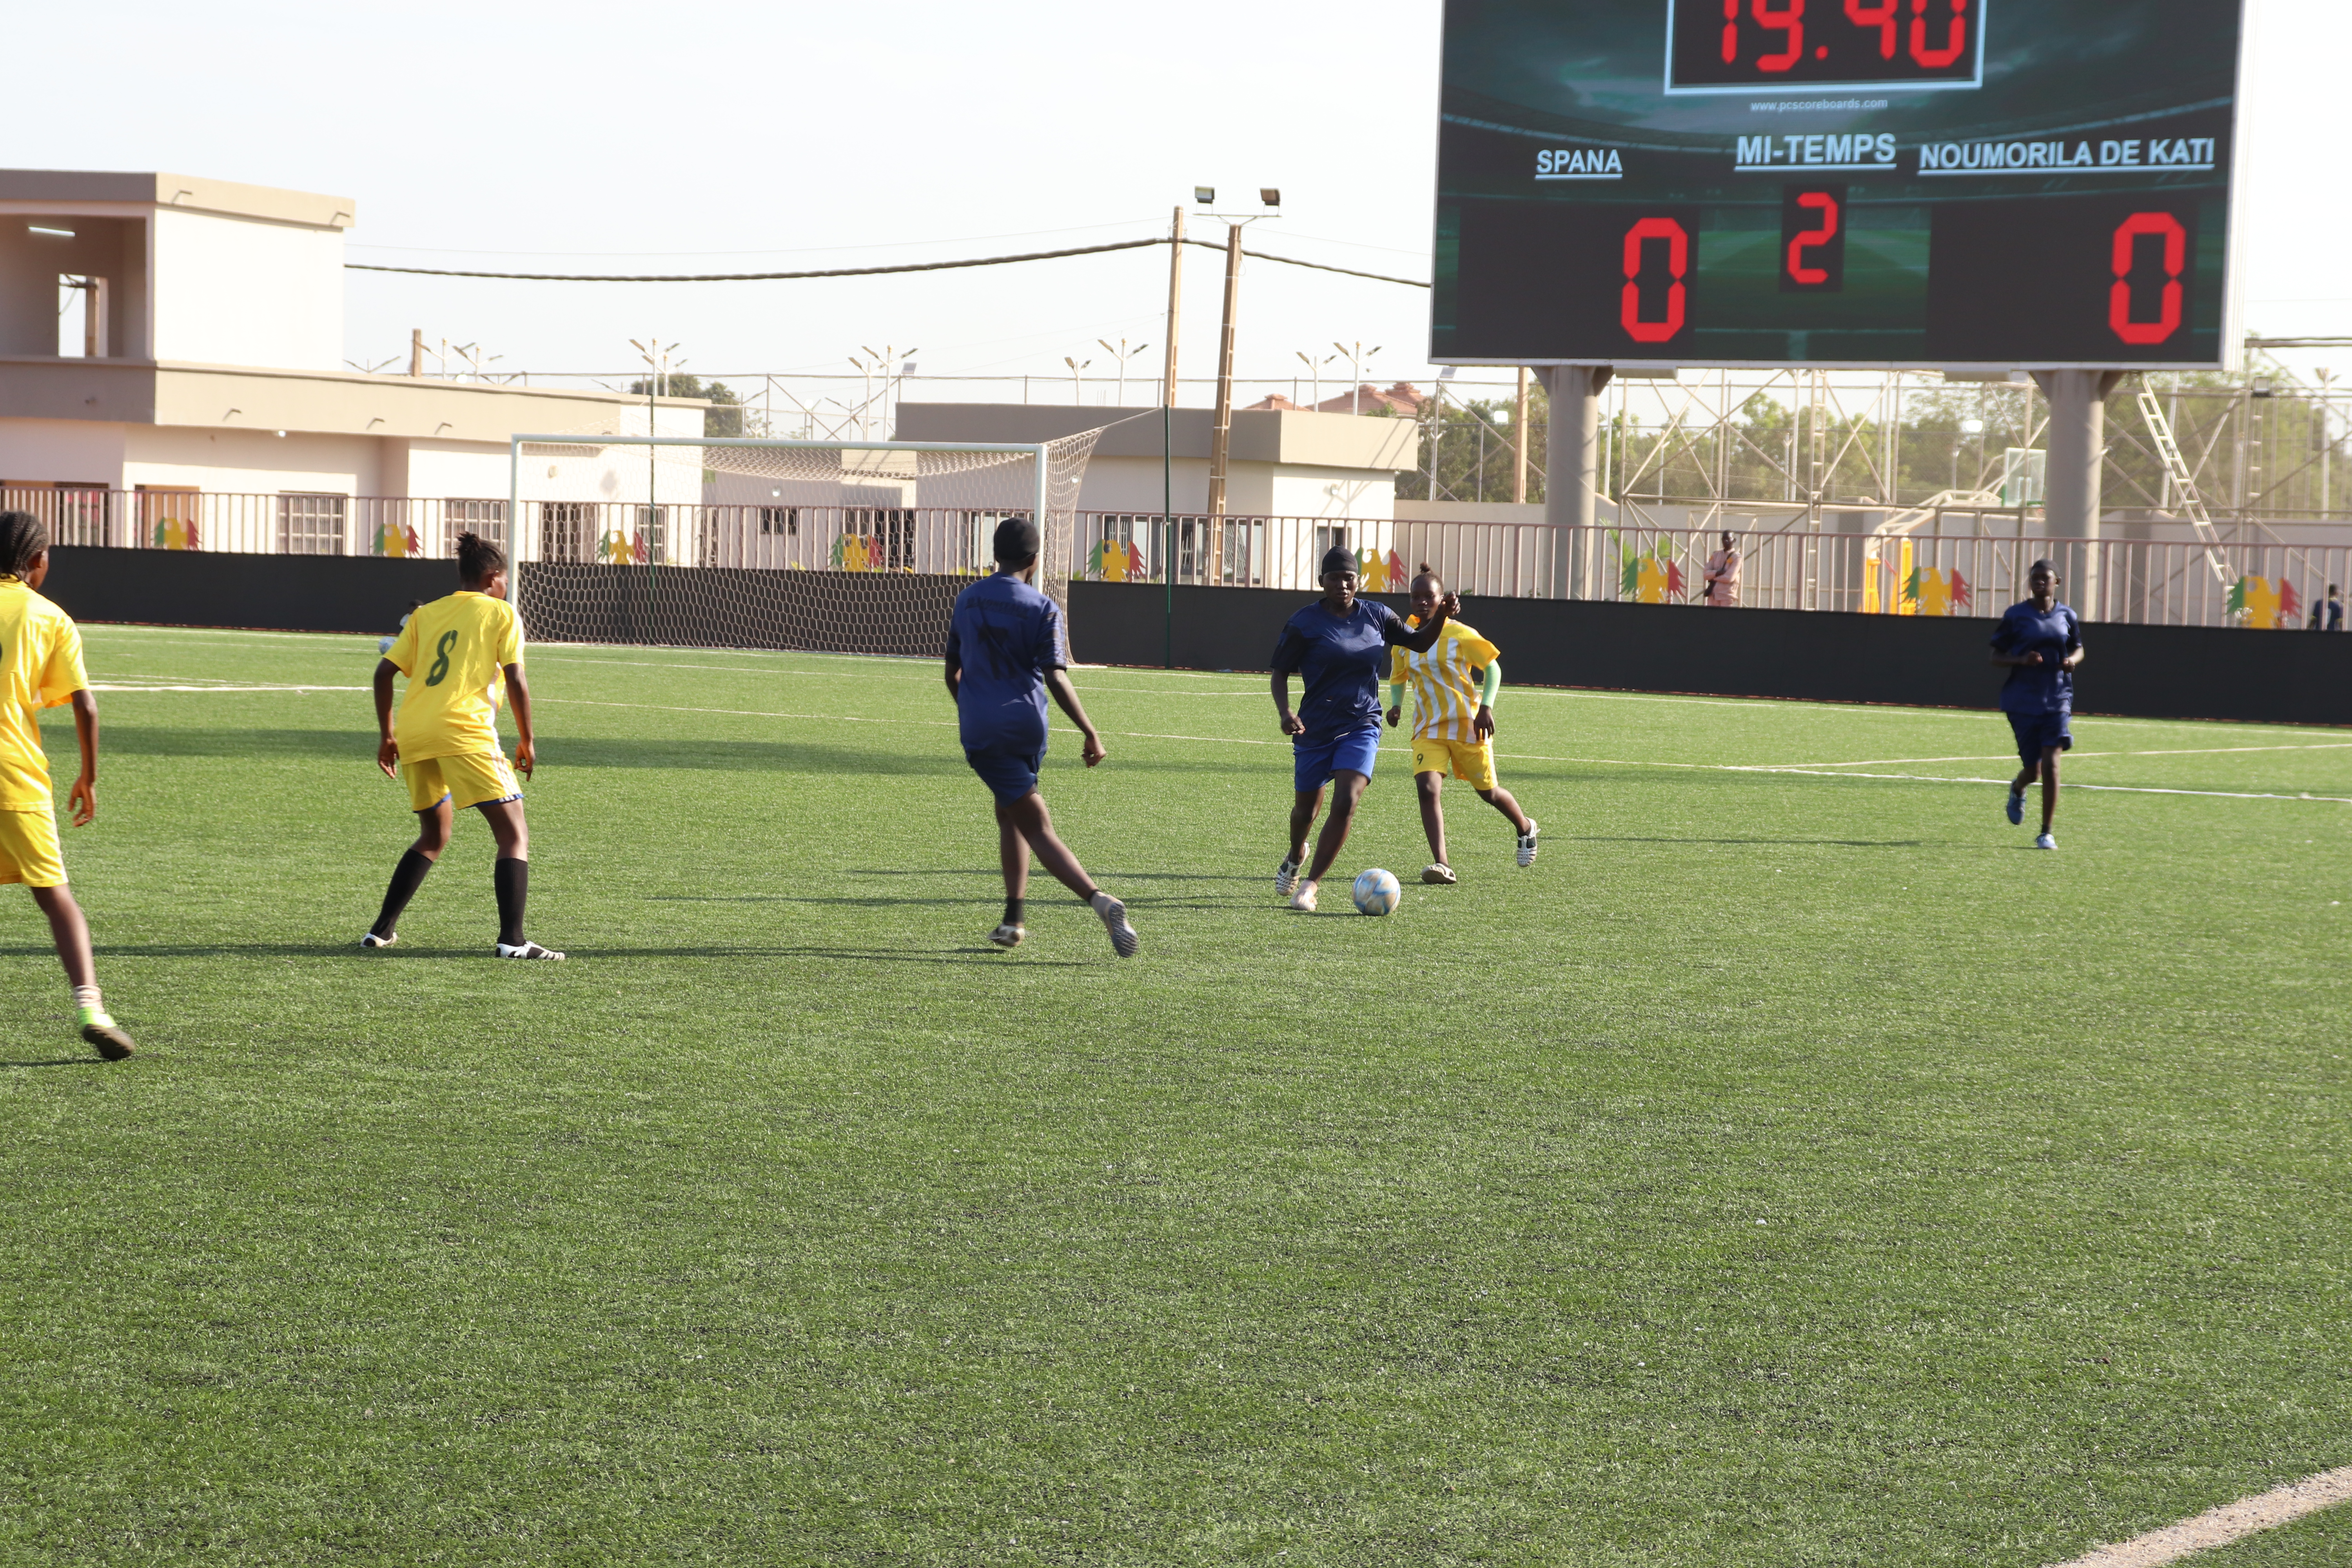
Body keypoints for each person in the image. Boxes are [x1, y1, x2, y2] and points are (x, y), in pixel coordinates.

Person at [945, 516, 1138, 957]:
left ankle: (1100, 900)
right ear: (1035, 559)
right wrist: (1089, 731)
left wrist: (976, 709)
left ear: (995, 556)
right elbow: (1055, 675)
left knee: (1036, 827)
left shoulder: (967, 600)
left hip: (985, 730)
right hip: (1030, 727)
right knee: (1010, 813)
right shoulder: (1044, 607)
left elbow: (952, 673)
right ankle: (1014, 919)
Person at [363, 532, 563, 958]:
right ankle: (513, 940)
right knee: (514, 833)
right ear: (493, 577)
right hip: (464, 730)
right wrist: (527, 739)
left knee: (433, 835)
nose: (506, 586)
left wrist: (388, 735)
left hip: (416, 732)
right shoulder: (501, 613)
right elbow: (516, 678)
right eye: (505, 579)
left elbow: (384, 674)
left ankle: (380, 931)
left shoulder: (426, 613)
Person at [0, 513, 134, 1060]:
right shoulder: (47, 615)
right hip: (14, 776)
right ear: (37, 561)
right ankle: (91, 1009)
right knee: (57, 899)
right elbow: (84, 702)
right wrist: (89, 777)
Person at [1271, 544, 1459, 913]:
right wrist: (1285, 712)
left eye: (1349, 578)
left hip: (1362, 723)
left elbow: (1419, 641)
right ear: (1321, 581)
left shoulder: (1377, 615)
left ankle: (1309, 886)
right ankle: (1296, 854)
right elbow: (1279, 672)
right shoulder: (1304, 623)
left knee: (1346, 801)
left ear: (1358, 581)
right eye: (1334, 578)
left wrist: (1441, 615)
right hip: (1315, 727)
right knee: (1304, 814)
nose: (1342, 584)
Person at [1385, 566, 1537, 884]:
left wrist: (1486, 707)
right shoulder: (1404, 638)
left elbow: (1492, 669)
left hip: (1469, 727)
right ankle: (1442, 864)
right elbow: (1399, 677)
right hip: (1428, 729)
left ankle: (1525, 827)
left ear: (1442, 600)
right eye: (1417, 597)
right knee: (1427, 790)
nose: (1423, 602)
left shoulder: (1459, 633)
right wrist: (1397, 705)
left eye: (1430, 597)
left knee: (1489, 793)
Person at [1989, 558, 2084, 850]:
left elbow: (2078, 648)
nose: (2040, 582)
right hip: (2022, 700)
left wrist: (2072, 661)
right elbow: (1995, 656)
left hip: (2057, 699)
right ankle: (2019, 788)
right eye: (2035, 578)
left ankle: (2046, 832)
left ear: (2057, 583)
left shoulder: (2067, 615)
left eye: (2046, 577)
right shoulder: (2016, 615)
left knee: (2053, 763)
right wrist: (2021, 660)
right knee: (2034, 771)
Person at [1700, 531, 1741, 606]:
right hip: (1713, 596)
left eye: (1729, 539)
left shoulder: (1737, 557)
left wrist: (1713, 577)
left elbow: (1729, 578)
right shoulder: (1716, 555)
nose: (1726, 541)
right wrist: (1718, 573)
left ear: (1734, 540)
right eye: (1724, 539)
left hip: (1726, 596)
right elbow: (1706, 574)